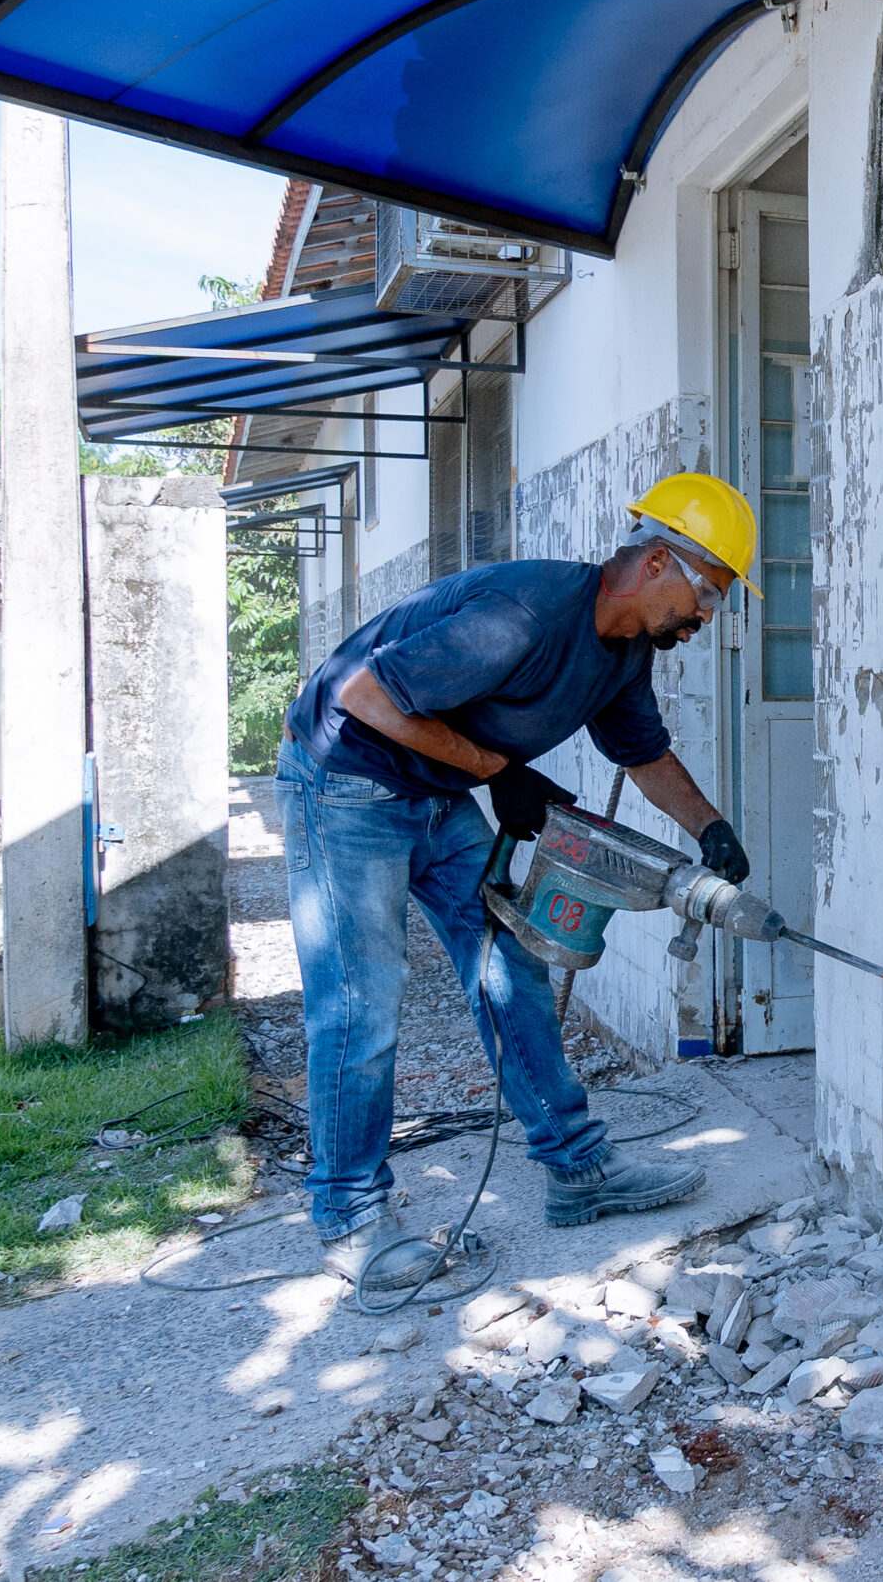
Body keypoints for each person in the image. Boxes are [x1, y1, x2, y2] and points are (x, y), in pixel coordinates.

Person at [275, 473, 759, 1290]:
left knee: (512, 965)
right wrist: (499, 769)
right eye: (706, 592)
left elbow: (641, 754)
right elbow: (364, 695)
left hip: (432, 791)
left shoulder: (626, 650)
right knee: (361, 1004)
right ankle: (351, 1214)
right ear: (655, 565)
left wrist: (708, 826)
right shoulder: (525, 614)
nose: (706, 617)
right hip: (344, 782)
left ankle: (577, 1169)